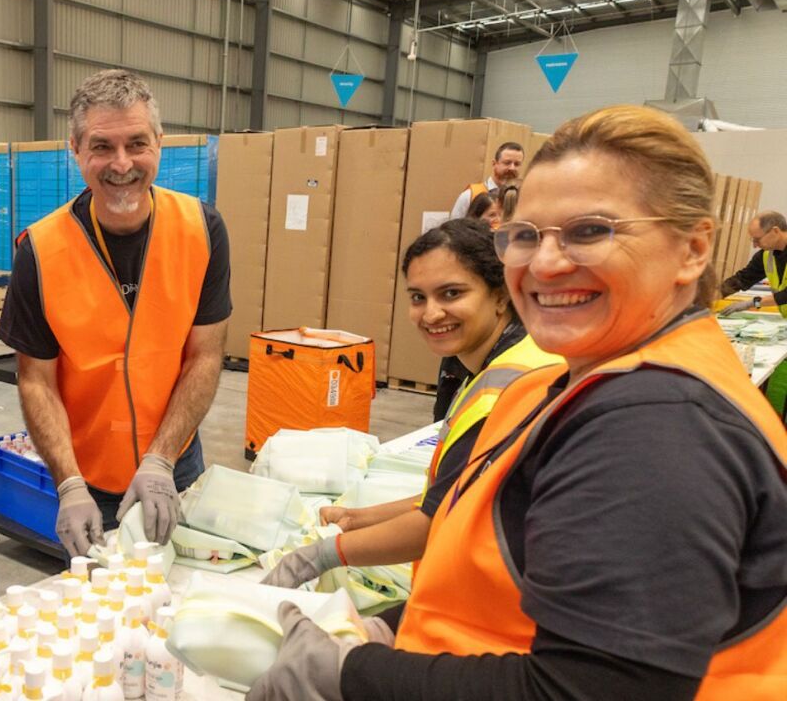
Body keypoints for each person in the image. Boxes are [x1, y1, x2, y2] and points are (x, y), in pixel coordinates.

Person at [248, 105, 787, 701]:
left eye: (590, 231)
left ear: (692, 248)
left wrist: (352, 673)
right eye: (525, 236)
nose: (546, 263)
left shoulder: (656, 425)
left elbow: (588, 689)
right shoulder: (576, 384)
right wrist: (396, 627)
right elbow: (511, 582)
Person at [0, 69, 231, 556]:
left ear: (159, 143)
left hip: (175, 465)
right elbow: (35, 380)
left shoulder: (202, 231)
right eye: (102, 146)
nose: (121, 163)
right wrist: (67, 485)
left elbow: (204, 356)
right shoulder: (39, 251)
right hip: (87, 481)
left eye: (136, 144)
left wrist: (162, 461)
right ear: (76, 150)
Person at [262, 218, 557, 587]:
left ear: (500, 295)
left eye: (451, 294)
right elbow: (456, 494)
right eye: (418, 297)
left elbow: (440, 521)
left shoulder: (508, 389)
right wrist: (359, 518)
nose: (431, 314)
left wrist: (325, 554)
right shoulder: (508, 364)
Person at [718, 210, 787, 316]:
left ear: (775, 231)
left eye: (757, 239)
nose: (755, 245)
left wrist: (752, 303)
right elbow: (742, 279)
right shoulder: (766, 255)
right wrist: (713, 295)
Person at [448, 141, 523, 219]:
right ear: (494, 164)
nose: (512, 168)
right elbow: (453, 229)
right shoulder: (470, 195)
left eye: (517, 164)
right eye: (507, 163)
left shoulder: (523, 197)